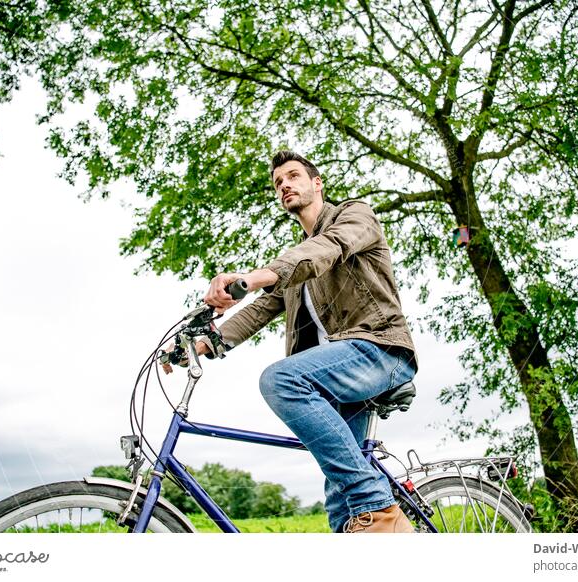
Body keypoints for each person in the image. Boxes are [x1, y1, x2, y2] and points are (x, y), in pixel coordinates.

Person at [162, 150, 418, 533]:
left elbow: (326, 250)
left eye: (293, 176)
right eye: (278, 182)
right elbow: (261, 309)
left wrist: (251, 277)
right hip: (341, 380)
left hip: (379, 350)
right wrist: (203, 342)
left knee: (281, 380)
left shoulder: (354, 217)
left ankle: (379, 507)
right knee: (339, 501)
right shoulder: (298, 263)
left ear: (317, 183)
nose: (285, 185)